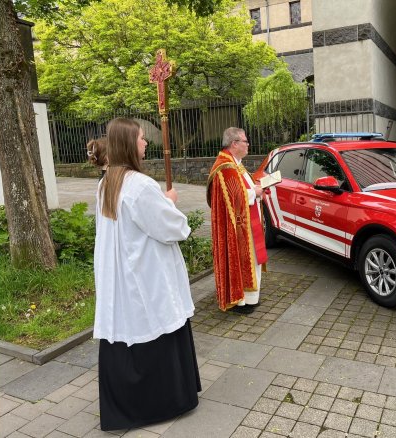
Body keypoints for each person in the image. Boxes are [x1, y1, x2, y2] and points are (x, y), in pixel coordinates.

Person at [93, 117, 200, 431]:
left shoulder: (107, 182)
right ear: (128, 144)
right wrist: (170, 203)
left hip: (122, 274)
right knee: (156, 322)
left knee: (128, 328)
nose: (145, 143)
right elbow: (173, 228)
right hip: (145, 273)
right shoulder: (139, 186)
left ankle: (125, 406)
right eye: (141, 138)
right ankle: (162, 402)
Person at [207, 127, 268, 314]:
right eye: (245, 141)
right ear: (234, 143)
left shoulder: (236, 164)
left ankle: (251, 297)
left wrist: (256, 189)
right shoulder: (225, 167)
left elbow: (241, 188)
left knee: (253, 259)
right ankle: (242, 301)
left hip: (248, 221)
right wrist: (254, 193)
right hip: (237, 226)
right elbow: (233, 198)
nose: (248, 144)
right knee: (243, 260)